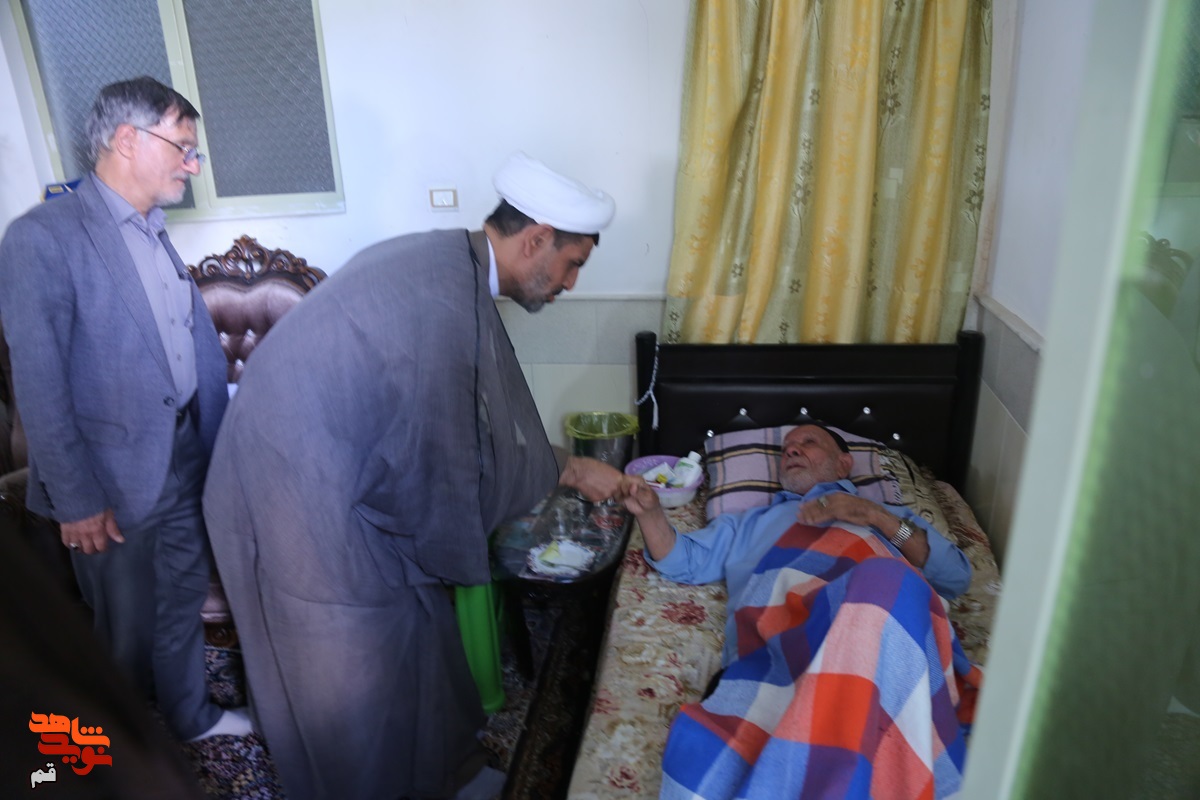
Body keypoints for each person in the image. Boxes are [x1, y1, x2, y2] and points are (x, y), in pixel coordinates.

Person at [202, 151, 624, 799]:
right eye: (572, 264)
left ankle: (441, 774)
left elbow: (454, 430)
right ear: (536, 239)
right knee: (349, 670)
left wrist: (557, 466)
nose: (569, 283)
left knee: (422, 635)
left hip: (332, 468)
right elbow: (444, 459)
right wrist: (555, 474)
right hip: (295, 494)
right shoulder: (441, 293)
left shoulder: (449, 261)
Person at [0, 77, 250, 742]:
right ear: (127, 140)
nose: (193, 166)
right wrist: (76, 498)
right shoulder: (42, 237)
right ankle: (112, 751)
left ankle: (191, 717)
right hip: (108, 476)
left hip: (183, 450)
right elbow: (39, 381)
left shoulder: (151, 229)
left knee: (181, 598)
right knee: (126, 626)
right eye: (183, 148)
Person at [619, 423, 979, 797]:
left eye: (809, 442)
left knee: (889, 579)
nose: (792, 449)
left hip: (879, 627)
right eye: (787, 448)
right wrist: (649, 513)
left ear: (844, 464)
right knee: (698, 751)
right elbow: (682, 560)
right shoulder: (749, 523)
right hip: (782, 646)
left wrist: (876, 516)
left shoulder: (889, 516)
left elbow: (954, 576)